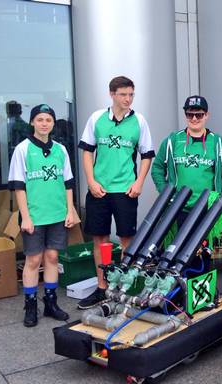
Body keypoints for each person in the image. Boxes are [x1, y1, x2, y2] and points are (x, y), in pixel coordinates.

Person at [78, 76, 154, 309]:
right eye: (123, 94)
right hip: (99, 189)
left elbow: (147, 154)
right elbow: (87, 151)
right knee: (100, 238)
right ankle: (103, 288)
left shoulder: (139, 121)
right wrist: (90, 181)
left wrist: (139, 182)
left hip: (125, 190)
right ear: (112, 94)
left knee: (126, 240)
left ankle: (124, 287)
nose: (128, 99)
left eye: (131, 94)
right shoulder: (96, 118)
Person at [8, 104, 75, 327]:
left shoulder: (61, 150)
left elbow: (68, 183)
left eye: (48, 119)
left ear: (53, 123)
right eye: (40, 119)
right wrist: (25, 217)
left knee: (53, 258)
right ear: (32, 122)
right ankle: (30, 305)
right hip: (34, 216)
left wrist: (71, 209)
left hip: (57, 214)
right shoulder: (23, 149)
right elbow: (19, 186)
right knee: (34, 260)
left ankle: (51, 303)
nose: (44, 123)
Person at [151, 95, 222, 222]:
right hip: (176, 208)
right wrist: (166, 194)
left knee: (203, 242)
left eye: (199, 114)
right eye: (190, 114)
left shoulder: (218, 142)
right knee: (176, 242)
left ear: (207, 115)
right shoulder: (173, 140)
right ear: (185, 115)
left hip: (207, 208)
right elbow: (157, 168)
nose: (194, 118)